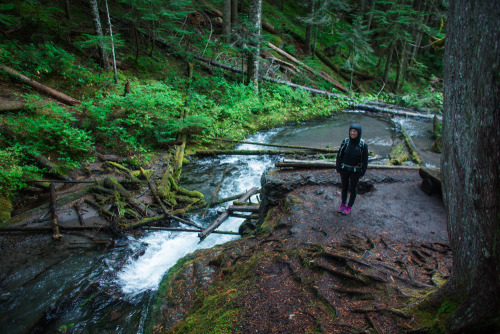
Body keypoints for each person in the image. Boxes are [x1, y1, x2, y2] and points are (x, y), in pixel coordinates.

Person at [335, 124, 368, 215]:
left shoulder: (363, 145)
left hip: (355, 171)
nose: (352, 133)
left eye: (355, 131)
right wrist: (338, 167)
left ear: (359, 133)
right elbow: (339, 155)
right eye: (351, 131)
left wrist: (362, 172)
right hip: (344, 169)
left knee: (353, 188)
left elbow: (365, 160)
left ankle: (349, 206)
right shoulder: (345, 142)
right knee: (344, 187)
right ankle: (343, 204)